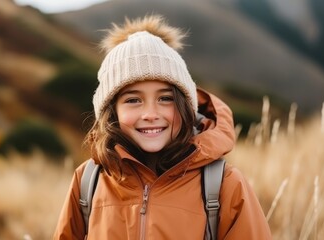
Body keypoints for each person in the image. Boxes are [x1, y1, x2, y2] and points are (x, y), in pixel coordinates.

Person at [53, 15, 272, 240]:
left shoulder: (223, 184)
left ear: (185, 106)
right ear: (112, 112)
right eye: (133, 100)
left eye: (165, 99)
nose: (150, 114)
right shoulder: (89, 180)